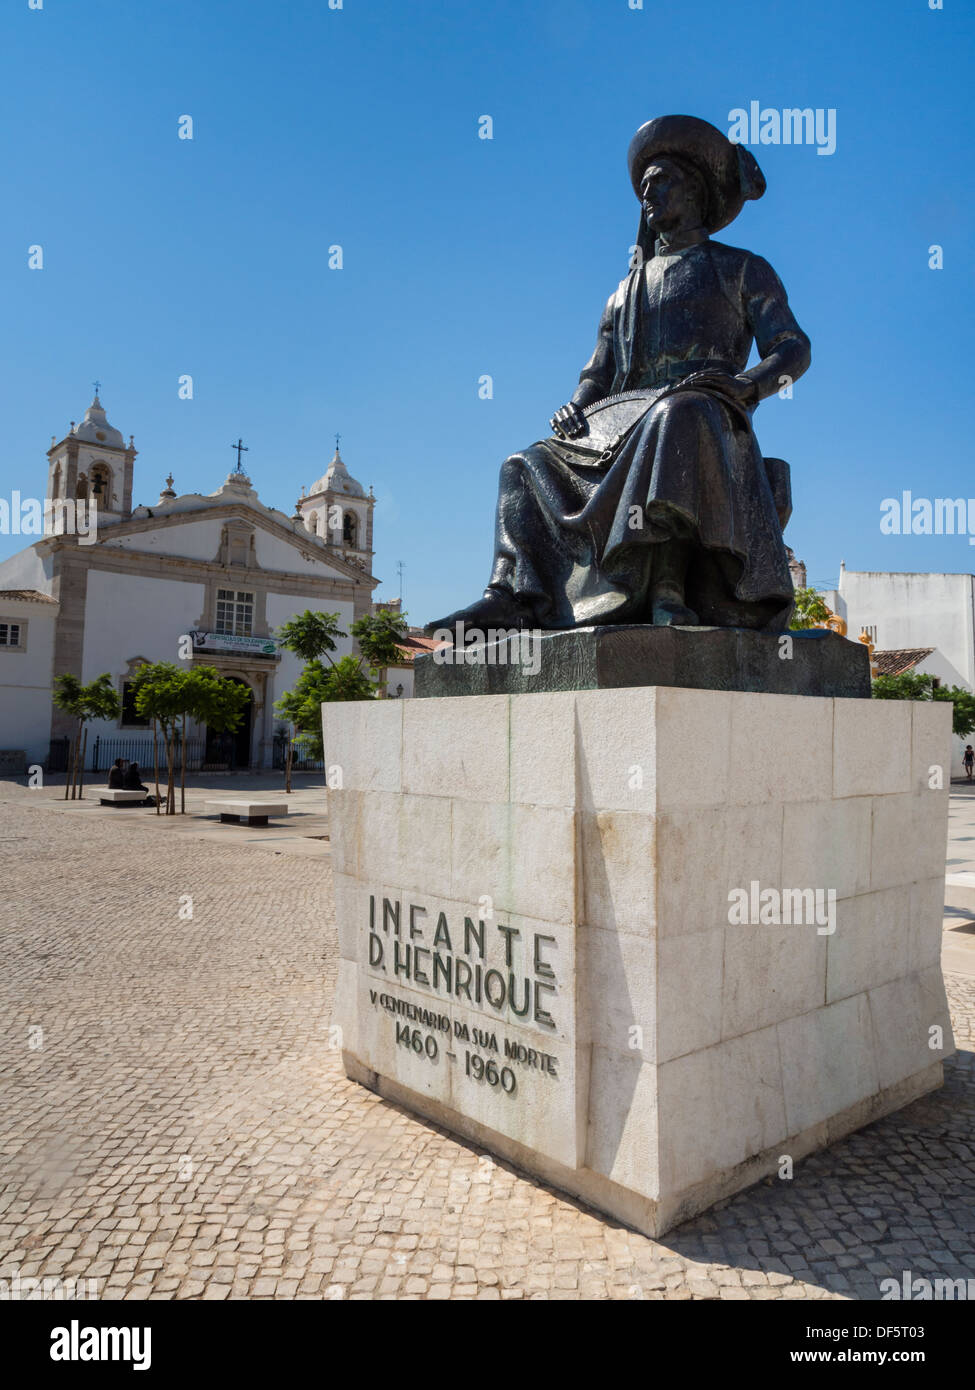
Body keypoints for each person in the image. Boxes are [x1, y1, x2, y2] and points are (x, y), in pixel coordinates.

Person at [428, 115, 810, 636]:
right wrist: (577, 404)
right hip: (621, 424)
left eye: (660, 182)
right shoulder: (622, 293)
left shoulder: (742, 267)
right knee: (523, 463)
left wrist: (750, 385)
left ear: (695, 190)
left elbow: (792, 347)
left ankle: (668, 588)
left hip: (706, 417)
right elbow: (598, 373)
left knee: (677, 414)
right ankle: (515, 597)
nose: (647, 194)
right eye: (643, 187)